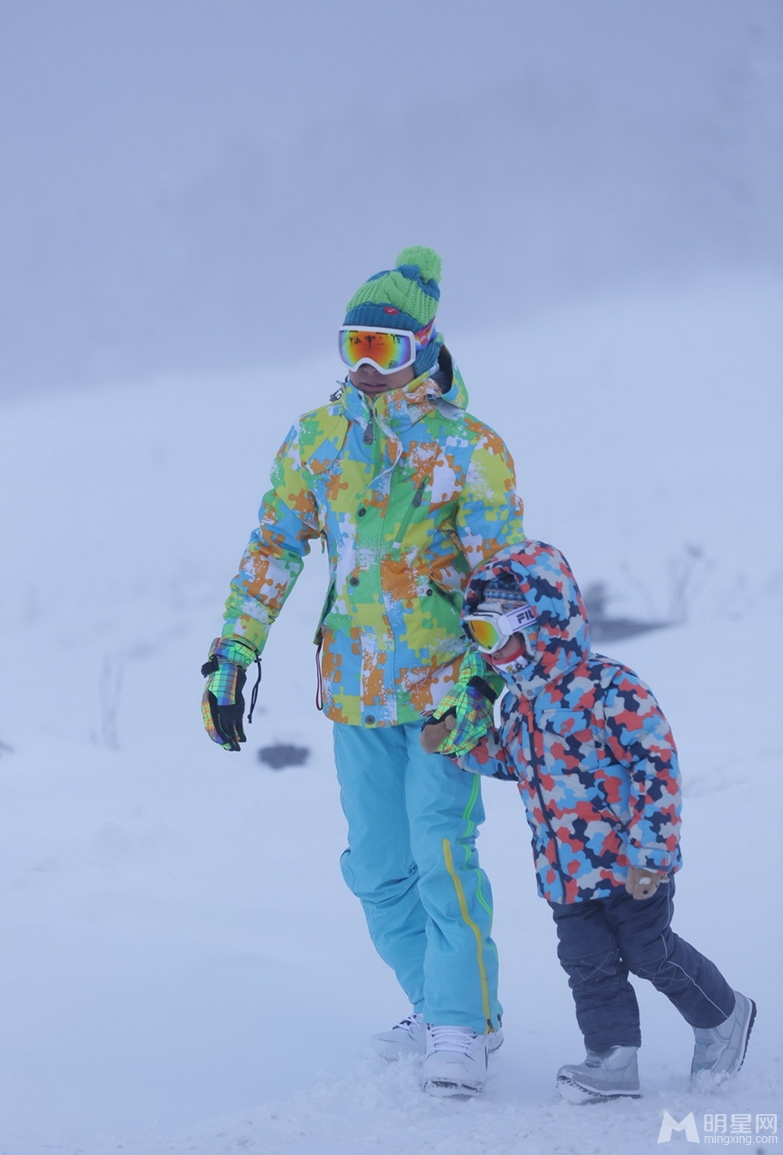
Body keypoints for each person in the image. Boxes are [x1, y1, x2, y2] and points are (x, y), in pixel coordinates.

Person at [200, 247, 525, 1096]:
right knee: (377, 866)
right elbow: (273, 545)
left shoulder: (468, 450)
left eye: (387, 349)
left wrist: (493, 678)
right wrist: (234, 650)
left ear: (423, 346)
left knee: (441, 849)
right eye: (356, 347)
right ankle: (445, 1004)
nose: (370, 368)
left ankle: (459, 1024)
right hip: (353, 687)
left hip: (449, 687)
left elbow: (505, 579)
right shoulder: (317, 439)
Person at [422, 539, 756, 1102]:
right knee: (587, 964)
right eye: (477, 635)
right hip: (565, 872)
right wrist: (457, 747)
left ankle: (723, 1016)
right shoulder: (518, 705)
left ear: (541, 621)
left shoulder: (609, 688)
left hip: (630, 866)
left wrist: (652, 856)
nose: (491, 652)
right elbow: (514, 762)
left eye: (493, 633)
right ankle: (612, 1059)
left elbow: (658, 769)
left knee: (651, 952)